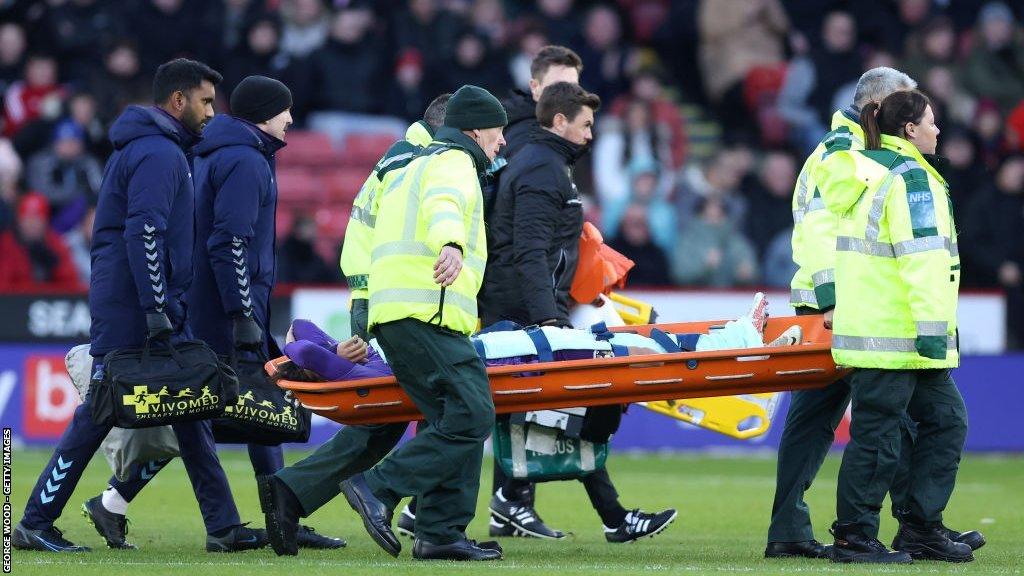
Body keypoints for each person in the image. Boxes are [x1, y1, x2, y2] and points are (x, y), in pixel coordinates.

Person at [79, 76, 344, 551]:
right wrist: (243, 313)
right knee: (208, 412)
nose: (291, 119)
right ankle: (130, 505)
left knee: (248, 409)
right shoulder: (245, 160)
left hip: (216, 305)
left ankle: (280, 511)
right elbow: (231, 242)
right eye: (285, 110)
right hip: (223, 311)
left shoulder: (221, 154)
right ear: (265, 113)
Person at [12, 58, 266, 553]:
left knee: (193, 402)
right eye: (206, 101)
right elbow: (143, 229)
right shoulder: (159, 153)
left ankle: (222, 527)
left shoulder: (158, 149)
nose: (213, 112)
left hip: (148, 301)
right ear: (178, 101)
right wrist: (154, 307)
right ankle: (33, 521)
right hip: (137, 306)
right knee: (101, 411)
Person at [260, 85, 507, 562]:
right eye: (497, 136)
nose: (501, 147)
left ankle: (434, 529)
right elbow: (439, 211)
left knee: (425, 415)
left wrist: (365, 307)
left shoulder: (402, 164)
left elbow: (362, 232)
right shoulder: (440, 161)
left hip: (401, 305)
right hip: (419, 307)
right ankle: (387, 495)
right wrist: (450, 245)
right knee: (462, 414)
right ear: (463, 130)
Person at [769, 67, 984, 560]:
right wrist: (831, 303)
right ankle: (817, 527)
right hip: (845, 307)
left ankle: (917, 525)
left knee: (894, 421)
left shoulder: (864, 155)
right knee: (838, 422)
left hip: (863, 305)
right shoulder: (842, 154)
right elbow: (819, 233)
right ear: (883, 107)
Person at [478, 81, 678, 543]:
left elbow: (544, 251)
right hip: (525, 312)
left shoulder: (550, 166)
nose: (592, 135)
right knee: (573, 409)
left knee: (552, 413)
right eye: (586, 125)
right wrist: (550, 322)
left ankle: (582, 511)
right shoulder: (543, 170)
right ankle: (608, 516)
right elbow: (528, 253)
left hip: (527, 307)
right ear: (560, 121)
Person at [816, 89, 971, 564]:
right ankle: (855, 537)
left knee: (944, 421)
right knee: (879, 438)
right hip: (898, 336)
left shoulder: (868, 170)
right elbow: (923, 260)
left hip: (884, 332)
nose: (937, 130)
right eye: (931, 121)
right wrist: (933, 330)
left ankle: (920, 528)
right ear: (909, 129)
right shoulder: (911, 179)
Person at [0, 191, 81, 290]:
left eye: (38, 219)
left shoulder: (55, 244)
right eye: (28, 218)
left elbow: (71, 284)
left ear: (45, 222)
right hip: (14, 302)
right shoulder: (6, 244)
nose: (33, 224)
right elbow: (3, 286)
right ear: (19, 220)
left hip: (50, 302)